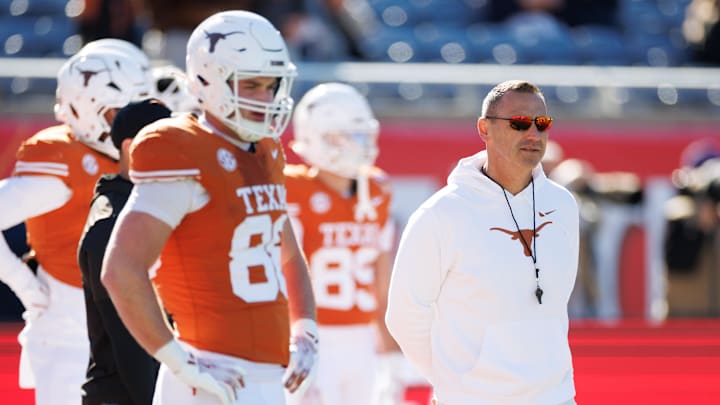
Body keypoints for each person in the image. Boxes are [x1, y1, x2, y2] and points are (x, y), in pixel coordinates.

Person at [101, 10, 318, 405]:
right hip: (209, 373)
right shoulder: (180, 147)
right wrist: (179, 362)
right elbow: (120, 270)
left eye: (272, 85)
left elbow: (288, 252)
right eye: (250, 84)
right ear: (208, 79)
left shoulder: (266, 150)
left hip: (268, 376)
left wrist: (306, 330)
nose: (265, 98)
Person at [385, 79, 579, 404]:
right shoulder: (441, 213)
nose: (533, 133)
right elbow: (404, 314)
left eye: (541, 123)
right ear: (484, 129)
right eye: (519, 122)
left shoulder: (563, 205)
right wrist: (456, 380)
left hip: (555, 397)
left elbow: (557, 302)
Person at [0, 42, 150, 405]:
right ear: (86, 110)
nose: (134, 124)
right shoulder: (61, 161)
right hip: (71, 330)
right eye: (120, 112)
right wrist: (28, 289)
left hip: (127, 322)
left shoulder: (135, 155)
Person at [283, 82, 399, 405]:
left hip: (362, 338)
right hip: (311, 335)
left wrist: (390, 348)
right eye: (341, 136)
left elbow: (381, 274)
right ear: (313, 138)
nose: (353, 145)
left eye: (359, 135)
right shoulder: (292, 186)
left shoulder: (376, 188)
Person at [77, 99, 172, 405]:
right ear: (132, 147)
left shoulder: (150, 205)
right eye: (167, 141)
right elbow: (130, 337)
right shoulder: (111, 223)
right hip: (124, 395)